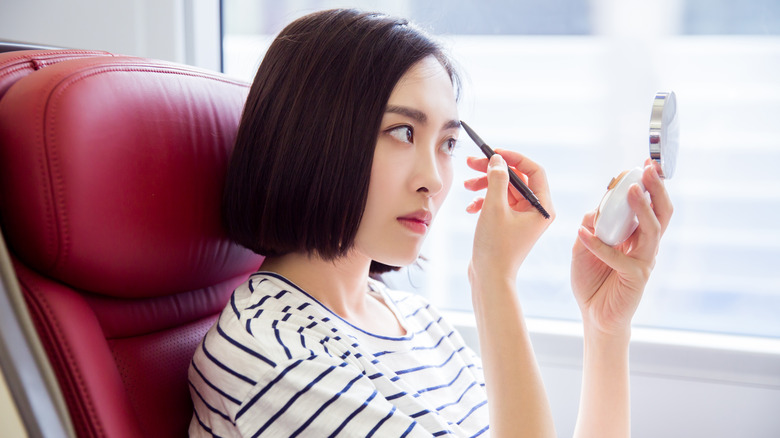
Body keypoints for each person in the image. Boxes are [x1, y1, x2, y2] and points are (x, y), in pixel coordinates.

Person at [188, 8, 673, 438]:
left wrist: (604, 327)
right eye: (403, 132)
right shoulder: (268, 353)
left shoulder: (420, 324)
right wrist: (492, 281)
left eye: (446, 144)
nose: (434, 180)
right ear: (314, 139)